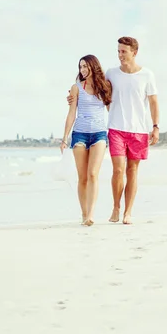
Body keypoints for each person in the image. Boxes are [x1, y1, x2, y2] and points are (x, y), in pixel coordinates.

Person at [67, 37, 160, 224]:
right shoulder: (111, 74)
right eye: (118, 51)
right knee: (118, 170)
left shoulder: (147, 75)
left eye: (123, 52)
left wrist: (155, 127)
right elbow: (93, 83)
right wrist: (72, 96)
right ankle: (116, 208)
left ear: (134, 52)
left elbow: (153, 102)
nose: (120, 55)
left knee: (132, 171)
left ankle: (128, 212)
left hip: (139, 130)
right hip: (115, 128)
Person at [60, 54, 112, 226]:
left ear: (93, 66)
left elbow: (112, 109)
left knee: (92, 174)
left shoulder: (105, 86)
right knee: (82, 177)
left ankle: (91, 214)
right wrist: (65, 137)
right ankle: (83, 214)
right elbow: (71, 113)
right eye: (80, 67)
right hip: (80, 134)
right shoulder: (76, 88)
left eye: (85, 66)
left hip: (99, 134)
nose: (82, 70)